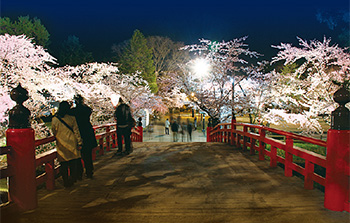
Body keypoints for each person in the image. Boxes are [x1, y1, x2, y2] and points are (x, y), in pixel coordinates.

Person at [52, 101, 83, 188]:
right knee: (73, 163)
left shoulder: (55, 119)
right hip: (72, 142)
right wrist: (79, 142)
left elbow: (54, 131)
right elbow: (76, 131)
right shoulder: (72, 118)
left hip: (61, 143)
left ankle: (65, 181)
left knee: (63, 164)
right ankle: (72, 179)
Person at [72, 95, 97, 179]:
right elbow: (90, 110)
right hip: (87, 132)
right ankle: (89, 171)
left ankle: (79, 173)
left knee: (78, 155)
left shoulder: (73, 111)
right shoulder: (87, 110)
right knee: (87, 154)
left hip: (78, 132)